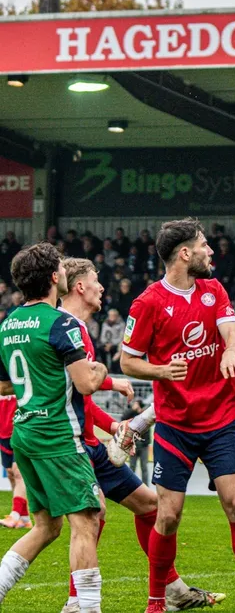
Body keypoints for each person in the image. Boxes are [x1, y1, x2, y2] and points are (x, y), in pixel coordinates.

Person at [118, 219, 235, 613]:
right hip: (174, 425)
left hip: (221, 419)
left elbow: (231, 331)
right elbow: (128, 361)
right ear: (185, 253)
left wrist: (231, 351)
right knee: (168, 516)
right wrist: (162, 371)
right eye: (204, 245)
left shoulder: (213, 289)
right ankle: (156, 601)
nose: (211, 251)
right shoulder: (148, 302)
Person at [60, 257, 224, 613]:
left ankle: (173, 589)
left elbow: (78, 398)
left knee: (149, 504)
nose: (103, 286)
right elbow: (72, 392)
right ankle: (77, 601)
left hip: (89, 443)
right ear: (79, 287)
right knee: (86, 515)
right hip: (66, 443)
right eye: (96, 280)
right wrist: (109, 381)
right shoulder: (66, 328)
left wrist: (114, 426)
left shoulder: (80, 328)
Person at [0, 243, 107, 611]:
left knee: (46, 527)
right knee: (86, 521)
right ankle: (87, 608)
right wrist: (102, 370)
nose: (64, 272)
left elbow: (3, 385)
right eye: (61, 268)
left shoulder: (9, 323)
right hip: (58, 436)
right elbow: (86, 384)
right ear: (53, 277)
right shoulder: (61, 323)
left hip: (25, 434)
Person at [0, 392, 28, 530]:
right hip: (3, 433)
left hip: (19, 431)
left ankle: (15, 514)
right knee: (11, 473)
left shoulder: (15, 375)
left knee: (18, 473)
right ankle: (25, 518)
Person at [121, 401, 152, 487]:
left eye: (136, 405)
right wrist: (132, 410)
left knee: (144, 468)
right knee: (132, 467)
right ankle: (131, 486)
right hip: (132, 446)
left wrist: (145, 443)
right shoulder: (132, 415)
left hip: (143, 447)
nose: (134, 406)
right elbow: (123, 418)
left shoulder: (145, 415)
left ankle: (146, 487)